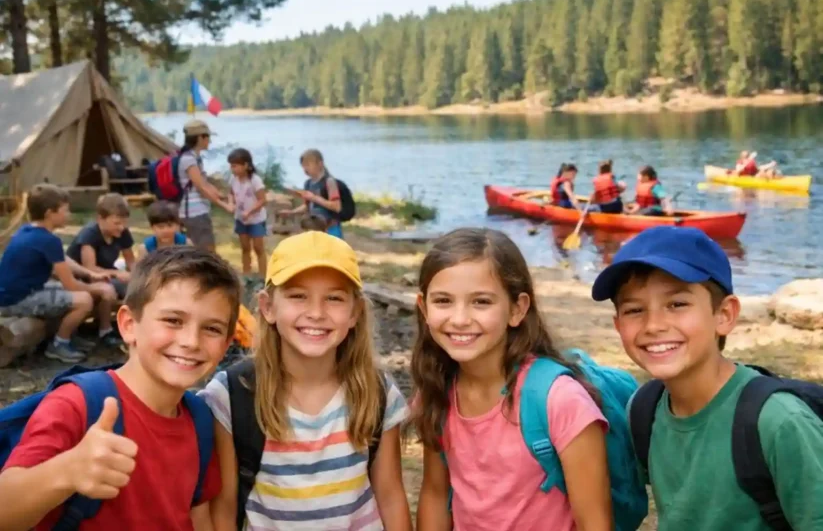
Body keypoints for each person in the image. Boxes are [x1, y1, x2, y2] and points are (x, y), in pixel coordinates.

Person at [591, 226, 823, 531]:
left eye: (677, 304)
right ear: (618, 325)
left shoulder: (778, 422)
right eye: (635, 309)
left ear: (724, 315)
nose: (653, 325)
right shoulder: (644, 409)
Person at [0, 246, 242, 530]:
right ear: (128, 325)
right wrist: (66, 471)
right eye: (173, 320)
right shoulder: (77, 404)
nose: (191, 341)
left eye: (212, 328)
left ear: (226, 344)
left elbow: (197, 516)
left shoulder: (200, 418)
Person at [200, 231, 412, 530]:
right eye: (298, 296)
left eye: (334, 298)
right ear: (268, 307)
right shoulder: (231, 395)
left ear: (355, 312)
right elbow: (223, 509)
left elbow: (390, 496)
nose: (316, 313)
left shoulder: (377, 392)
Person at [413, 228, 612, 531]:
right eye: (443, 301)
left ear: (517, 309)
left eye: (481, 302)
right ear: (423, 307)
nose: (460, 319)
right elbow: (435, 495)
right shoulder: (437, 390)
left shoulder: (560, 400)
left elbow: (595, 524)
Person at [0, 184, 119, 363]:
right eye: (65, 210)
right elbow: (70, 285)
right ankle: (59, 344)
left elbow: (63, 259)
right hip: (16, 300)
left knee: (76, 292)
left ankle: (69, 336)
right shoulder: (49, 240)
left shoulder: (28, 230)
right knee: (84, 300)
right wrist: (99, 288)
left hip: (17, 292)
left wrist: (90, 274)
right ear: (50, 213)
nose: (69, 214)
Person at [177, 119, 233, 251]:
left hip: (198, 211)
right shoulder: (188, 159)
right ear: (200, 138)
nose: (210, 141)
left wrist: (221, 196)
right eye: (207, 137)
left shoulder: (195, 158)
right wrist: (224, 206)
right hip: (194, 213)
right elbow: (201, 187)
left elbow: (205, 184)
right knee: (206, 252)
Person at [67, 193, 135, 300]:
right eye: (116, 223)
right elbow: (89, 268)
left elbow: (130, 262)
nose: (121, 227)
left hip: (107, 273)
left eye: (124, 223)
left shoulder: (122, 232)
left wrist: (137, 276)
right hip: (85, 277)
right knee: (123, 288)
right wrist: (117, 273)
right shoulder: (90, 234)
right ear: (100, 219)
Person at [280, 149, 345, 239]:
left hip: (331, 229)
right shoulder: (308, 183)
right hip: (314, 230)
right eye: (303, 166)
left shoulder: (329, 182)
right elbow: (308, 206)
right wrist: (292, 212)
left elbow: (336, 206)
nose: (305, 169)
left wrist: (314, 198)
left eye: (308, 165)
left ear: (320, 164)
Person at [227, 148, 267, 277]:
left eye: (235, 166)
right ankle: (246, 274)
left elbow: (262, 200)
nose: (232, 169)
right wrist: (231, 203)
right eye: (231, 166)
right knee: (245, 248)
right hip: (240, 218)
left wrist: (249, 212)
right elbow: (230, 193)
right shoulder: (233, 179)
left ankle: (263, 276)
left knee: (258, 248)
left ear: (245, 165)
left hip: (256, 219)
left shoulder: (255, 180)